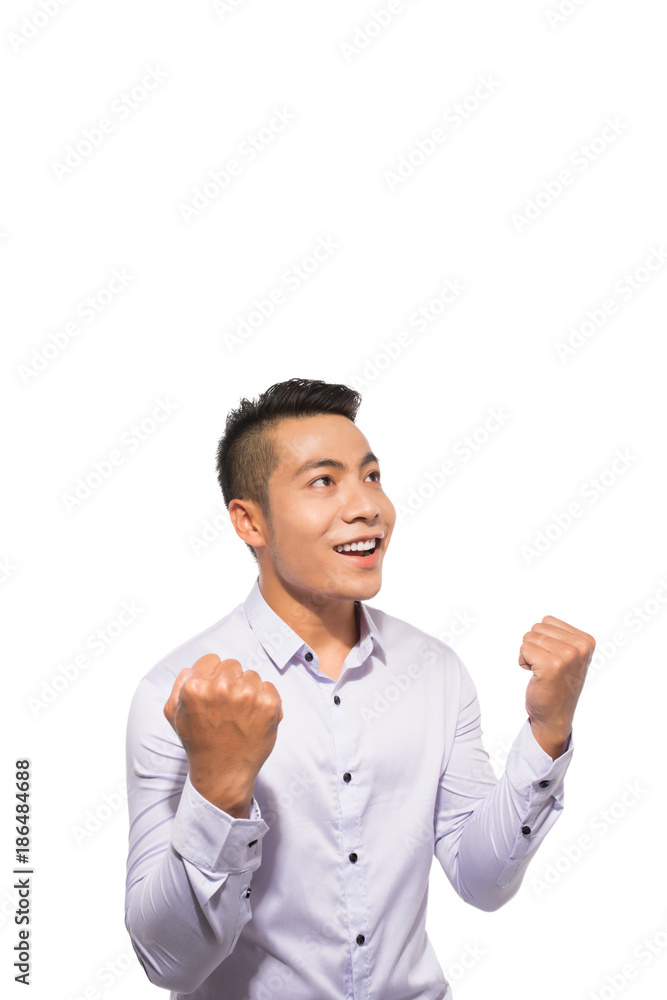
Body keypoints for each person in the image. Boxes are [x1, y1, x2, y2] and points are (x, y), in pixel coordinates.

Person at [124, 377, 595, 1000]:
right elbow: (171, 964)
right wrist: (218, 790)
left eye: (371, 476)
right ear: (250, 521)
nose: (367, 506)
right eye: (324, 481)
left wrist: (549, 730)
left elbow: (483, 880)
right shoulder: (178, 694)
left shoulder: (434, 671)